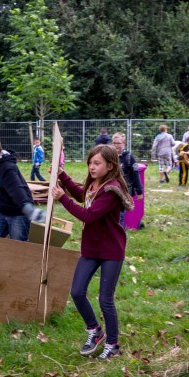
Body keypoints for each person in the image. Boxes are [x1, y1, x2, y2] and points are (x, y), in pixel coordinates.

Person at [51, 144, 134, 361]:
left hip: (111, 250)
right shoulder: (95, 184)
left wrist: (62, 198)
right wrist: (62, 176)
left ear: (110, 165)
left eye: (97, 163)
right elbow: (81, 196)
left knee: (105, 299)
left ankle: (113, 344)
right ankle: (95, 330)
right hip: (91, 247)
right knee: (77, 291)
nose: (92, 167)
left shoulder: (111, 190)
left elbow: (88, 215)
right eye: (90, 163)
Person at [0, 135, 44, 242]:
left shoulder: (7, 168)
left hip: (18, 212)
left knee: (18, 247)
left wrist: (28, 209)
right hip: (2, 210)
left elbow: (17, 189)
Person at [111, 133, 143, 228]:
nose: (116, 145)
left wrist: (139, 191)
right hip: (111, 188)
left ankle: (120, 235)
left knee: (121, 213)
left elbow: (135, 175)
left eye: (118, 143)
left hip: (125, 189)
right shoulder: (109, 156)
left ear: (124, 144)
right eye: (114, 143)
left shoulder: (129, 157)